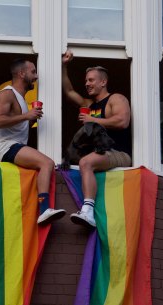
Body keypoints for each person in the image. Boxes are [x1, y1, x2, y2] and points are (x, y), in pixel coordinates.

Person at [0, 58, 66, 225]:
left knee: (42, 167)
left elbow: (15, 125)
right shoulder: (6, 93)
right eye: (33, 72)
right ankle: (44, 209)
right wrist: (27, 116)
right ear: (21, 73)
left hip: (13, 146)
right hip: (3, 147)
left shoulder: (22, 99)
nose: (36, 76)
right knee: (47, 163)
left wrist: (30, 119)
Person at [62, 50, 132, 228]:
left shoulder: (115, 98)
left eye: (91, 80)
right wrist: (63, 65)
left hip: (119, 153)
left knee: (86, 162)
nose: (87, 84)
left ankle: (88, 212)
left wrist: (93, 120)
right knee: (70, 161)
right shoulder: (88, 105)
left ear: (103, 82)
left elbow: (122, 121)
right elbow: (69, 91)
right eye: (86, 81)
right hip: (98, 154)